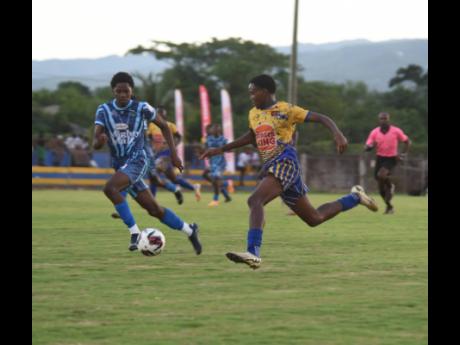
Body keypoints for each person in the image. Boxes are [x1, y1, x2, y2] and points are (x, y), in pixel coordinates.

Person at [200, 74, 377, 269]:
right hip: (273, 166)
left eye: (254, 93)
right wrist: (221, 149)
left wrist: (337, 133)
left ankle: (253, 252)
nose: (251, 97)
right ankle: (355, 197)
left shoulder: (286, 110)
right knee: (314, 218)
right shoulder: (254, 114)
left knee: (255, 200)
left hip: (285, 161)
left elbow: (321, 117)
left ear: (265, 92)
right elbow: (251, 136)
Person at [92, 72, 201, 254]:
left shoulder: (142, 108)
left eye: (126, 91)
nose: (122, 95)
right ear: (113, 91)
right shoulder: (103, 110)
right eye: (118, 91)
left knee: (110, 188)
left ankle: (135, 233)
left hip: (138, 159)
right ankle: (190, 230)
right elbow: (95, 142)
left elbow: (165, 126)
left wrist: (174, 154)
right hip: (121, 166)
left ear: (131, 90)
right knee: (154, 209)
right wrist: (100, 141)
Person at [147, 107, 201, 202]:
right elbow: (148, 137)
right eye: (157, 113)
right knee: (173, 179)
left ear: (164, 115)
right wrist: (151, 146)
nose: (159, 115)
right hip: (155, 153)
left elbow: (179, 137)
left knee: (154, 173)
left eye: (161, 113)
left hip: (167, 153)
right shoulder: (152, 125)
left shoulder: (170, 125)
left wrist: (172, 145)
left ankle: (153, 199)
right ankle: (194, 187)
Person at [364, 112, 411, 214]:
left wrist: (403, 154)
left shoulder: (396, 131)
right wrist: (369, 147)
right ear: (379, 120)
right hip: (379, 158)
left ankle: (390, 186)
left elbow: (407, 142)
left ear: (388, 119)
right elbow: (368, 145)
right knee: (381, 188)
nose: (383, 121)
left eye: (385, 119)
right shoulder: (375, 132)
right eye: (381, 119)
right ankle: (389, 206)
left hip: (391, 158)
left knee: (381, 175)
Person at [204, 124, 232, 206]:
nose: (214, 130)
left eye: (216, 128)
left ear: (219, 130)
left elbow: (229, 148)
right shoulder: (208, 139)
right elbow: (206, 148)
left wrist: (227, 149)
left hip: (220, 163)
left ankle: (215, 200)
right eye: (213, 128)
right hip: (212, 162)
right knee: (205, 174)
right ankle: (225, 188)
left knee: (216, 179)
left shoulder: (223, 139)